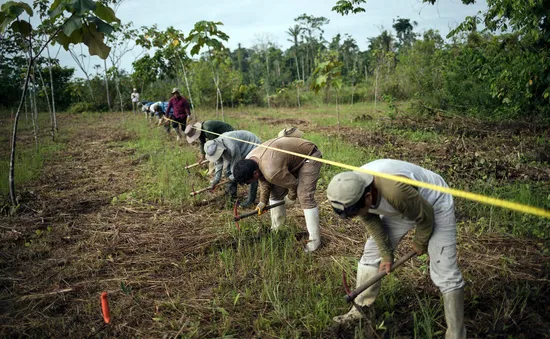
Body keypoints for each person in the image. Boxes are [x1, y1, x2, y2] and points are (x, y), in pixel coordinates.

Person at [326, 159, 466, 339]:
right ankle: (360, 310)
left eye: (354, 212)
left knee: (444, 269)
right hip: (401, 207)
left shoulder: (394, 190)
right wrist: (386, 254)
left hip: (432, 203)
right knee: (371, 255)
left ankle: (456, 333)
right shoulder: (353, 188)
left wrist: (420, 241)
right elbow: (369, 218)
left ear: (368, 197)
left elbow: (426, 216)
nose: (354, 217)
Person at [233, 137, 323, 252]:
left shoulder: (272, 172)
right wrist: (262, 202)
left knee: (305, 196)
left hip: (309, 155)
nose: (249, 184)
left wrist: (291, 197)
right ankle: (278, 229)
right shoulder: (250, 160)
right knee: (275, 194)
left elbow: (293, 184)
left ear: (254, 173)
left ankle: (314, 242)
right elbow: (263, 180)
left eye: (248, 181)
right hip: (286, 159)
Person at [204, 130, 261, 207]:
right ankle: (232, 197)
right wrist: (216, 179)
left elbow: (236, 168)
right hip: (239, 149)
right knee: (228, 172)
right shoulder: (216, 145)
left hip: (251, 145)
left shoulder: (232, 147)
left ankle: (250, 201)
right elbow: (219, 163)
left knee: (249, 171)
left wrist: (231, 178)